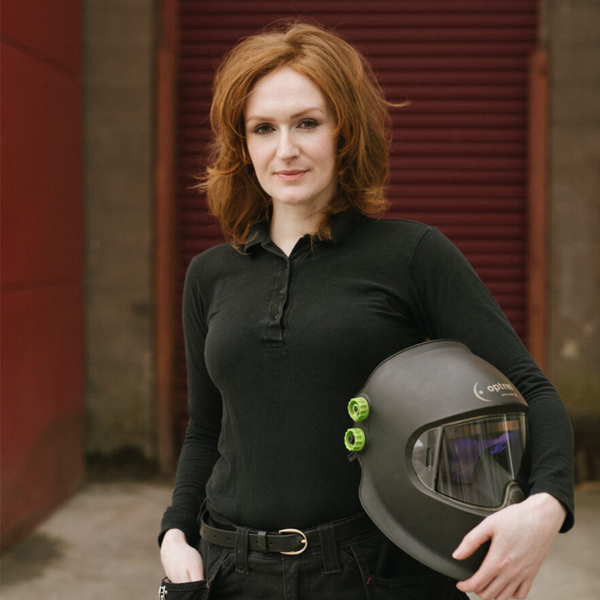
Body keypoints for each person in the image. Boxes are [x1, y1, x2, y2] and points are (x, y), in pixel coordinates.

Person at [159, 20, 574, 600]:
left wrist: (546, 506)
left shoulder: (411, 254)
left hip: (371, 571)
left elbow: (531, 388)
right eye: (263, 128)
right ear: (243, 144)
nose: (286, 149)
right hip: (231, 570)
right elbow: (206, 431)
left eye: (308, 123)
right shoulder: (210, 274)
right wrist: (176, 533)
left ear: (345, 132)